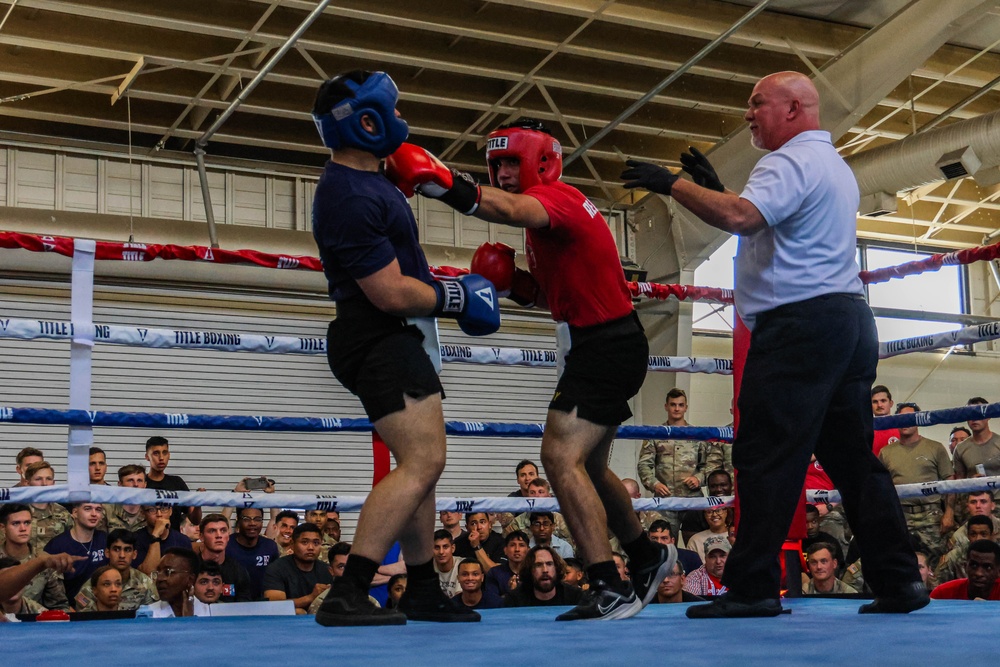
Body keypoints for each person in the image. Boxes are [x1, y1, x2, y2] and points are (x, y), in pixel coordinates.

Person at [622, 70, 925, 617]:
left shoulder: (788, 161)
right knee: (854, 462)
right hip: (847, 321)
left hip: (800, 328)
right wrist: (712, 186)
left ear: (794, 108)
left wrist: (671, 185)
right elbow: (767, 224)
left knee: (764, 455)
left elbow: (742, 216)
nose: (747, 114)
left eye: (757, 103)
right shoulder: (832, 165)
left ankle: (754, 587)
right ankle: (900, 581)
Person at [389, 116, 675, 621]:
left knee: (558, 455)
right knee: (587, 465)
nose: (501, 173)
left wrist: (444, 181)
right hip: (599, 342)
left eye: (509, 162)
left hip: (605, 345)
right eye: (494, 164)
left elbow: (506, 207)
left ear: (540, 161)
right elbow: (552, 295)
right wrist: (513, 284)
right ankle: (647, 556)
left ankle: (609, 585)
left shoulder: (557, 199)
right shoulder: (543, 228)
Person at [309, 69, 497, 627]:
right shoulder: (348, 196)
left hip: (390, 336)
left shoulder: (375, 179)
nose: (399, 118)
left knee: (419, 466)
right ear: (366, 122)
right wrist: (457, 294)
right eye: (387, 111)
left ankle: (419, 588)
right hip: (377, 334)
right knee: (425, 460)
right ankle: (349, 591)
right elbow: (389, 292)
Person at [637, 388, 723, 538]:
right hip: (665, 501)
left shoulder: (697, 434)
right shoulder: (655, 434)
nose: (677, 409)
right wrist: (654, 484)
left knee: (699, 541)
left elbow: (709, 465)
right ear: (666, 406)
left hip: (693, 500)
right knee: (665, 542)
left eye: (680, 405)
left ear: (686, 407)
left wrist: (699, 478)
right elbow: (644, 465)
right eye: (673, 404)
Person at [878, 402, 954, 560]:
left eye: (909, 418)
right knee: (901, 560)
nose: (904, 422)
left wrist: (949, 512)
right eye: (901, 418)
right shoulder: (886, 453)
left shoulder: (935, 448)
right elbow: (881, 487)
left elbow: (950, 482)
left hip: (931, 514)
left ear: (918, 420)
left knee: (936, 562)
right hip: (901, 514)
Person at [0, 503, 69, 610]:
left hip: (34, 623)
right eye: (16, 523)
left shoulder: (44, 561)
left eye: (27, 523)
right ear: (3, 528)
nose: (23, 528)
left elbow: (58, 606)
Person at [74, 529, 156, 611]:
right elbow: (84, 621)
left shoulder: (145, 584)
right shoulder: (91, 586)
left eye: (127, 550)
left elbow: (154, 617)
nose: (122, 555)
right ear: (107, 552)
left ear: (134, 554)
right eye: (116, 549)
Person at [42, 502, 108, 602]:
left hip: (101, 606)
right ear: (75, 513)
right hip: (68, 609)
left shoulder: (104, 539)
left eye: (98, 509)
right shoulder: (57, 545)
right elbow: (48, 587)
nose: (94, 514)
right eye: (88, 509)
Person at [263, 523, 334, 614]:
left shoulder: (327, 570)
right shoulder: (276, 569)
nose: (311, 548)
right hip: (285, 623)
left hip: (318, 620)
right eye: (304, 542)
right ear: (292, 544)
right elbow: (275, 606)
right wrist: (311, 597)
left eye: (316, 543)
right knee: (299, 612)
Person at [144, 437, 201, 531]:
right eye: (156, 453)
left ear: (169, 455)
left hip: (173, 541)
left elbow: (195, 520)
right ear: (147, 456)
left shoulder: (177, 482)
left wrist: (199, 503)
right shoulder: (140, 483)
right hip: (147, 540)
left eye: (164, 453)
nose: (161, 458)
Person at [503, 546, 584, 608]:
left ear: (556, 568)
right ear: (529, 569)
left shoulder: (576, 597)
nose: (545, 570)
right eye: (538, 565)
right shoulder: (514, 600)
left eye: (549, 564)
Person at [226, 507, 280, 600]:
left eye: (257, 519)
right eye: (246, 519)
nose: (252, 523)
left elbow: (276, 579)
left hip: (263, 604)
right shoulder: (226, 545)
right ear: (238, 521)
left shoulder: (270, 546)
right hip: (231, 603)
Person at [198, 514, 252, 602]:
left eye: (223, 530)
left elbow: (244, 608)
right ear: (201, 537)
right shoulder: (190, 568)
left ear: (228, 536)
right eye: (212, 531)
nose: (219, 535)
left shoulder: (238, 570)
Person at [23, 461, 72, 551]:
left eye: (48, 479)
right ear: (27, 483)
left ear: (53, 483)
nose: (44, 484)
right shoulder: (17, 511)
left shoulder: (63, 513)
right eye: (38, 479)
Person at [930, 540, 1000, 600]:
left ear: (998, 571)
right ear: (965, 566)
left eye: (988, 567)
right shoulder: (942, 594)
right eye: (974, 565)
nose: (979, 573)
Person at [953, 397, 1000, 479]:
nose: (974, 418)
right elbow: (959, 483)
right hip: (972, 491)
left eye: (978, 413)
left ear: (989, 416)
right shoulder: (960, 448)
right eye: (970, 414)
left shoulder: (998, 443)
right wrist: (972, 484)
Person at [484, 530, 529, 599]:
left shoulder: (534, 573)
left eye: (521, 545)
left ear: (528, 550)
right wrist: (511, 593)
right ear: (505, 550)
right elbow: (492, 601)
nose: (517, 549)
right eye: (512, 545)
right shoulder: (495, 573)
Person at [870, 385, 901, 456]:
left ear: (891, 403)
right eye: (875, 402)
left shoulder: (902, 428)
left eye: (883, 401)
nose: (879, 405)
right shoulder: (865, 430)